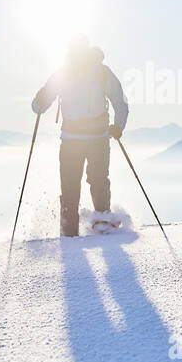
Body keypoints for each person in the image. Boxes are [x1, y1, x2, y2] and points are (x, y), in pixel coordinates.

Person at [31, 37, 129, 237]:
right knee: (92, 182)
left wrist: (119, 126)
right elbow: (120, 103)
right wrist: (118, 126)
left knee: (80, 184)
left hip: (86, 139)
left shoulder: (96, 73)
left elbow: (120, 102)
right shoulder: (71, 74)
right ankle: (98, 228)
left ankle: (73, 233)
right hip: (80, 139)